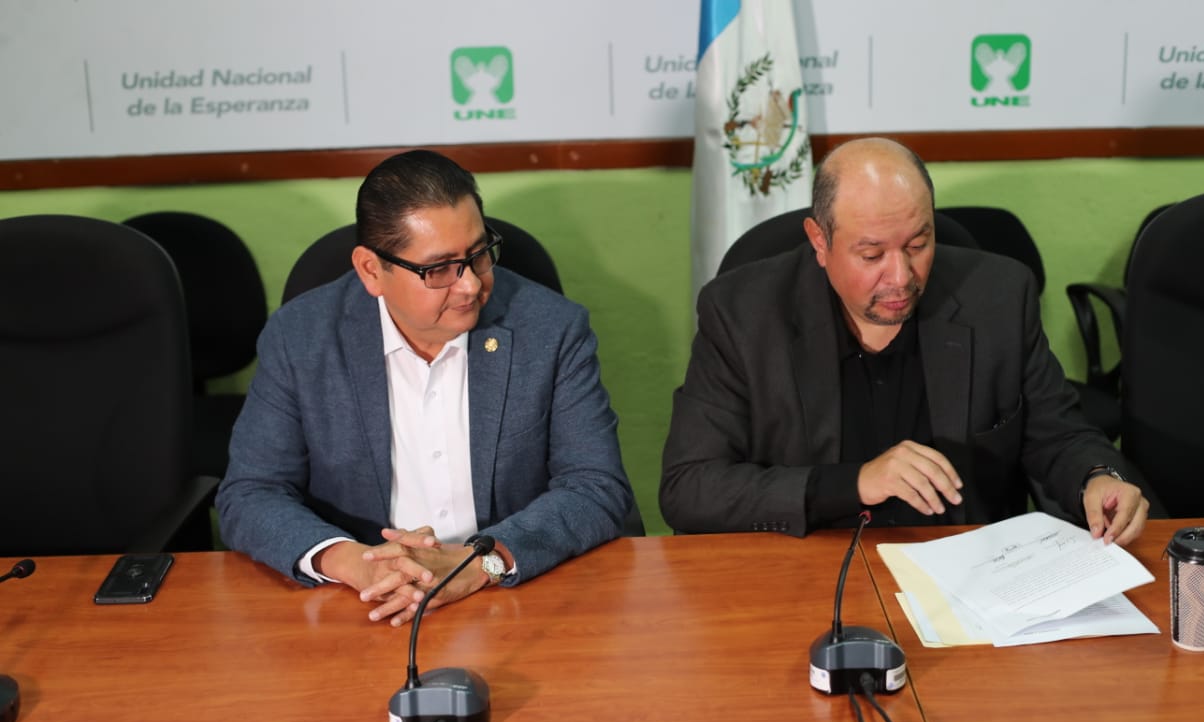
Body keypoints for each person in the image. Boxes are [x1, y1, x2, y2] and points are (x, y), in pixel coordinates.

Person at [660, 137, 1149, 545]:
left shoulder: (998, 296)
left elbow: (1058, 434)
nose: (902, 277)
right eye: (871, 254)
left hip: (967, 573)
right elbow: (690, 487)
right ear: (819, 242)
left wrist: (1098, 477)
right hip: (808, 567)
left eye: (918, 245)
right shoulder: (742, 313)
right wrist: (853, 484)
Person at [217, 149, 633, 625]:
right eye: (439, 270)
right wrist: (355, 562)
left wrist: (480, 564)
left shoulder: (552, 329)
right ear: (372, 270)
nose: (471, 286)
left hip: (513, 599)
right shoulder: (301, 338)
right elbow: (251, 492)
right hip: (360, 605)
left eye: (479, 255)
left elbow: (594, 485)